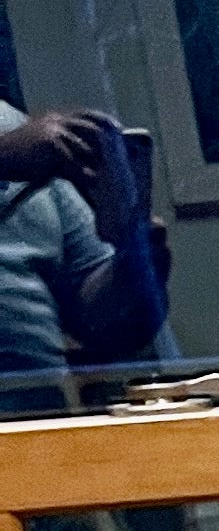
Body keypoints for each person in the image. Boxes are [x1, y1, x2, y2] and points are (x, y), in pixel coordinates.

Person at [0, 101, 169, 397]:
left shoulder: (10, 123)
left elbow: (99, 324)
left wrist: (136, 251)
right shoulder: (14, 139)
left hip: (44, 425)